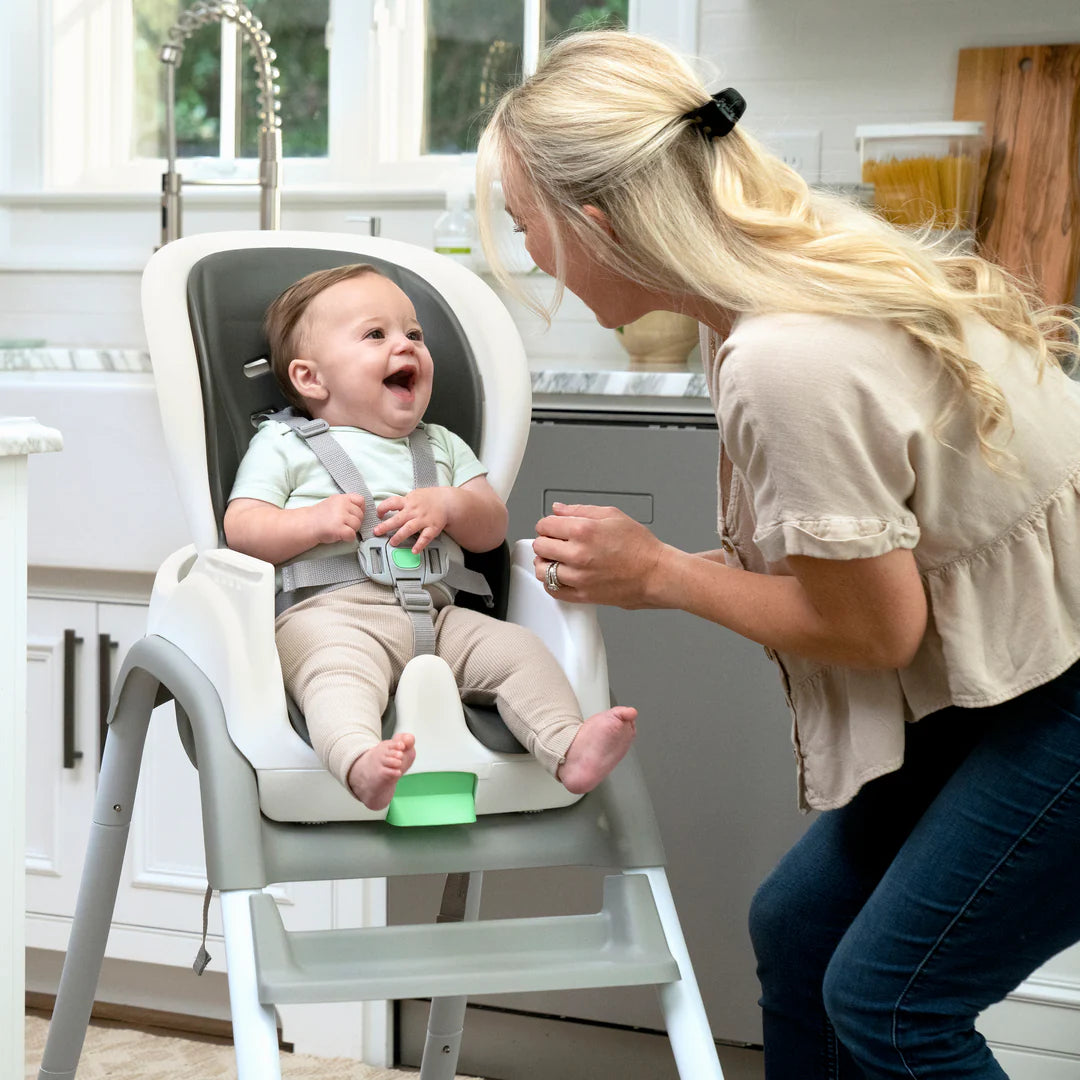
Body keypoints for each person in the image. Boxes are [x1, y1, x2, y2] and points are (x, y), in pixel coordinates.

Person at [476, 29, 1080, 1080]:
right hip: (1024, 670)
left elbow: (877, 628)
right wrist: (660, 564)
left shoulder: (782, 353)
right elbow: (869, 564)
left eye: (529, 227)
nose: (531, 255)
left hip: (1062, 686)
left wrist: (660, 574)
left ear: (596, 224)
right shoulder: (780, 285)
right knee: (799, 935)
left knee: (893, 1001)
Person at [223, 263, 637, 811]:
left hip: (439, 620)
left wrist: (450, 503)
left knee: (518, 650)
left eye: (414, 334)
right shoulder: (283, 443)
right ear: (311, 379)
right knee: (334, 676)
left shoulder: (440, 444)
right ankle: (359, 761)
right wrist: (312, 523)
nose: (406, 346)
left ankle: (566, 746)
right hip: (327, 616)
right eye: (376, 334)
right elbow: (242, 528)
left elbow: (491, 529)